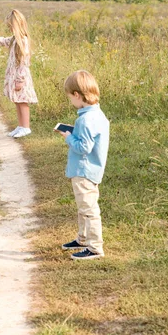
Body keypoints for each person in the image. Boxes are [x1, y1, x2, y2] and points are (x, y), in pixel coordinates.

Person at [56, 70, 109, 260]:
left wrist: (69, 138)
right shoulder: (97, 114)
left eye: (70, 97)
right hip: (91, 168)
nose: (70, 101)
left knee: (88, 209)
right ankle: (83, 238)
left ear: (77, 95)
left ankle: (95, 247)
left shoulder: (85, 120)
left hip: (83, 170)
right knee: (83, 207)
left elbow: (83, 147)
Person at [0, 9, 38, 138]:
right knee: (17, 101)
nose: (10, 29)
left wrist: (20, 79)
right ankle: (21, 126)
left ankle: (26, 127)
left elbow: (24, 61)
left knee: (23, 102)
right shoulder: (14, 39)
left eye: (11, 26)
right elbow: (4, 41)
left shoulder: (23, 40)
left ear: (17, 26)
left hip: (20, 77)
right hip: (15, 76)